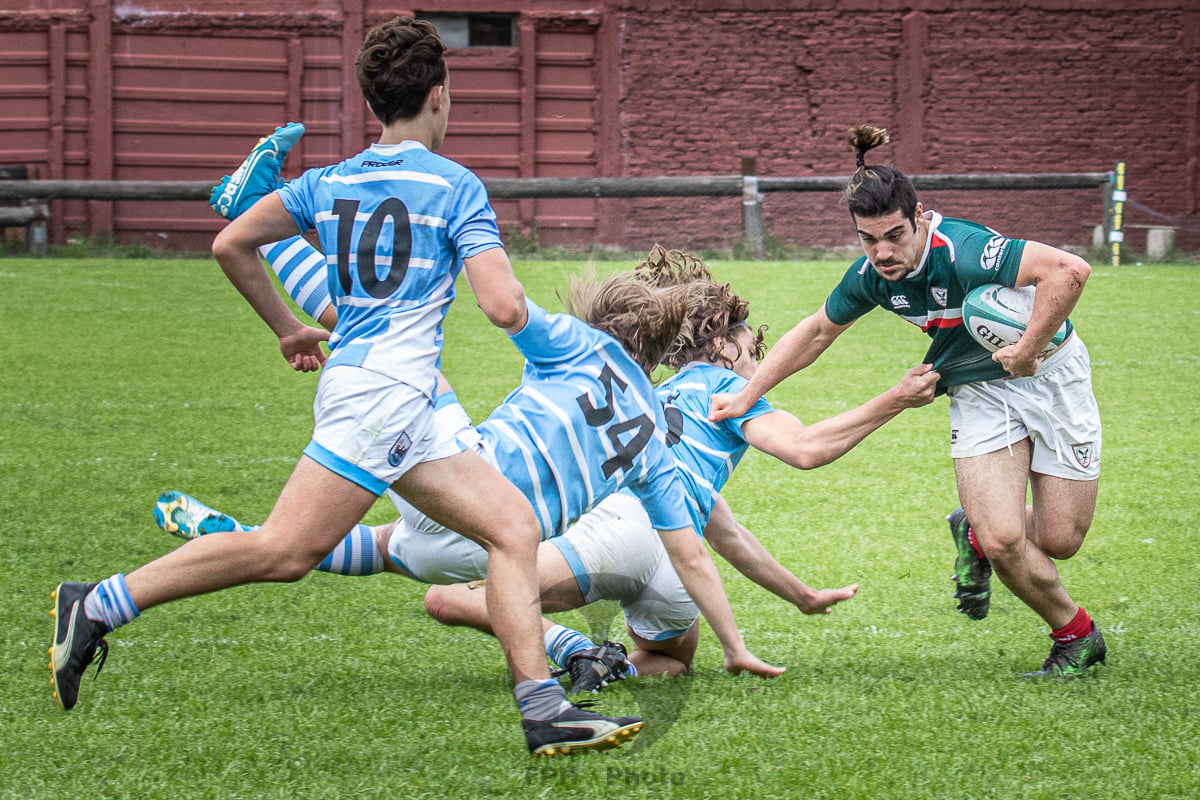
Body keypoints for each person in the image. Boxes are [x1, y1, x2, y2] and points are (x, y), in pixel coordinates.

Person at [47, 15, 640, 757]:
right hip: (382, 397)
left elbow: (232, 242)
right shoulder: (457, 187)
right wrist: (519, 306)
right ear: (437, 96)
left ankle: (544, 708)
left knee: (512, 528)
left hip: (397, 397)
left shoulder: (330, 181)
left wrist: (287, 331)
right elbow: (502, 306)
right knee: (285, 551)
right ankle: (97, 603)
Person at [158, 248, 937, 687]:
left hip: (538, 506)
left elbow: (722, 529)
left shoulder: (650, 391)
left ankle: (255, 542)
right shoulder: (727, 390)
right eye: (752, 345)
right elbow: (796, 457)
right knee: (658, 654)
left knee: (428, 566)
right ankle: (571, 664)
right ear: (722, 348)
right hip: (638, 545)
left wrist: (799, 597)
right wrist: (895, 398)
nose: (759, 359)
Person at [709, 125, 1105, 679]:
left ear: (920, 216)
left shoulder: (966, 252)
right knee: (1003, 537)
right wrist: (746, 393)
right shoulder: (871, 275)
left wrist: (1027, 348)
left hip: (1052, 375)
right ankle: (1076, 635)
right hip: (978, 391)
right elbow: (817, 331)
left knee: (1062, 540)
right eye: (868, 239)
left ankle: (973, 529)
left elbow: (1069, 270)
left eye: (894, 235)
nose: (883, 252)